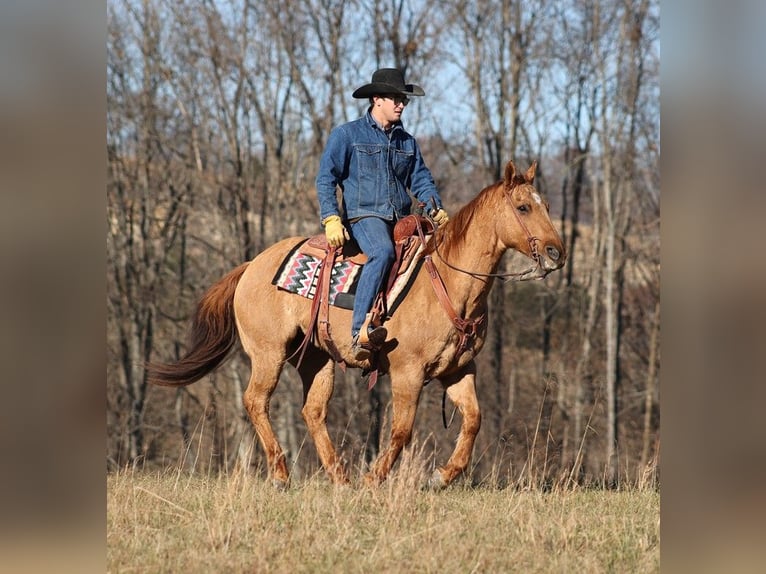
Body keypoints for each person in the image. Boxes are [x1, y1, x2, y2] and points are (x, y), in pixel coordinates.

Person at [315, 68, 449, 361]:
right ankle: (358, 331)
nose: (401, 104)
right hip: (365, 216)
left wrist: (434, 206)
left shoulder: (407, 142)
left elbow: (421, 180)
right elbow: (326, 177)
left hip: (401, 218)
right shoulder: (347, 135)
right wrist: (331, 217)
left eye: (404, 100)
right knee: (382, 252)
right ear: (377, 99)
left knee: (433, 255)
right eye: (395, 98)